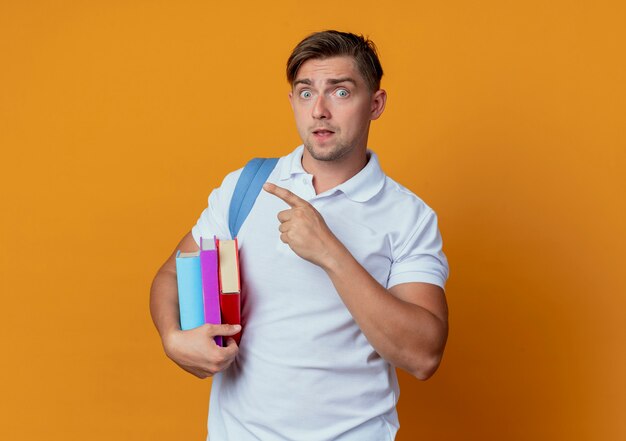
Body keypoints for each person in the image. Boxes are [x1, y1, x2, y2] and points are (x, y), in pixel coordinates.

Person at [150, 30, 449, 441]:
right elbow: (170, 276)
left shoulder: (408, 216)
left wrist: (330, 253)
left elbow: (423, 355)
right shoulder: (247, 186)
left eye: (340, 93)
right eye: (306, 93)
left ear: (375, 104)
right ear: (292, 102)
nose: (320, 110)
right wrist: (172, 338)